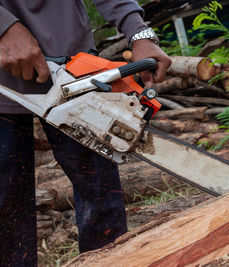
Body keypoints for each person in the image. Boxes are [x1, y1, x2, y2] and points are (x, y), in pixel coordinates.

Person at [0, 1, 171, 265]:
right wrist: (4, 26)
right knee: (5, 210)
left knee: (101, 199)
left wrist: (138, 32)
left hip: (73, 70)